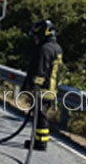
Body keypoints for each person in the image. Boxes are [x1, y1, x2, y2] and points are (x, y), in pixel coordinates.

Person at [22, 19, 64, 151]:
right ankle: (38, 141)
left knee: (40, 116)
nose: (35, 39)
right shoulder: (56, 48)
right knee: (40, 114)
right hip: (51, 88)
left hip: (43, 89)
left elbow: (41, 69)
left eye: (36, 36)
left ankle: (40, 143)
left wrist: (35, 86)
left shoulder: (45, 49)